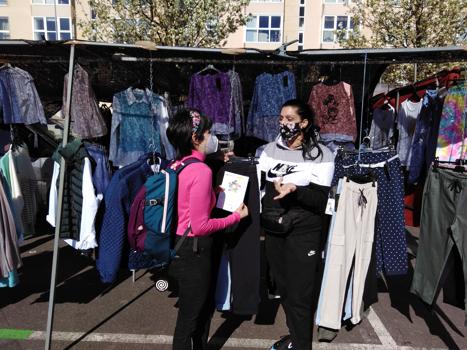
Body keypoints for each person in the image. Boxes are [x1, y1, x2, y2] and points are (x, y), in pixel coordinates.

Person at [166, 109, 249, 350]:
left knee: (195, 312)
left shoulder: (179, 164)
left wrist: (213, 193)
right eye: (209, 132)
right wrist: (235, 216)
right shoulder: (201, 172)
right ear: (195, 138)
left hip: (179, 246)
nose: (213, 137)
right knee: (189, 319)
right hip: (194, 250)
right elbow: (201, 226)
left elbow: (186, 205)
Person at [258, 99, 335, 350]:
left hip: (304, 233)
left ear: (304, 123)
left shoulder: (322, 154)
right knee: (285, 291)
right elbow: (259, 187)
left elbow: (320, 199)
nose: (284, 123)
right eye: (281, 119)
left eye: (290, 119)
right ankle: (295, 338)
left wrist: (295, 190)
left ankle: (302, 345)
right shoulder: (269, 149)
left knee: (300, 296)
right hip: (274, 229)